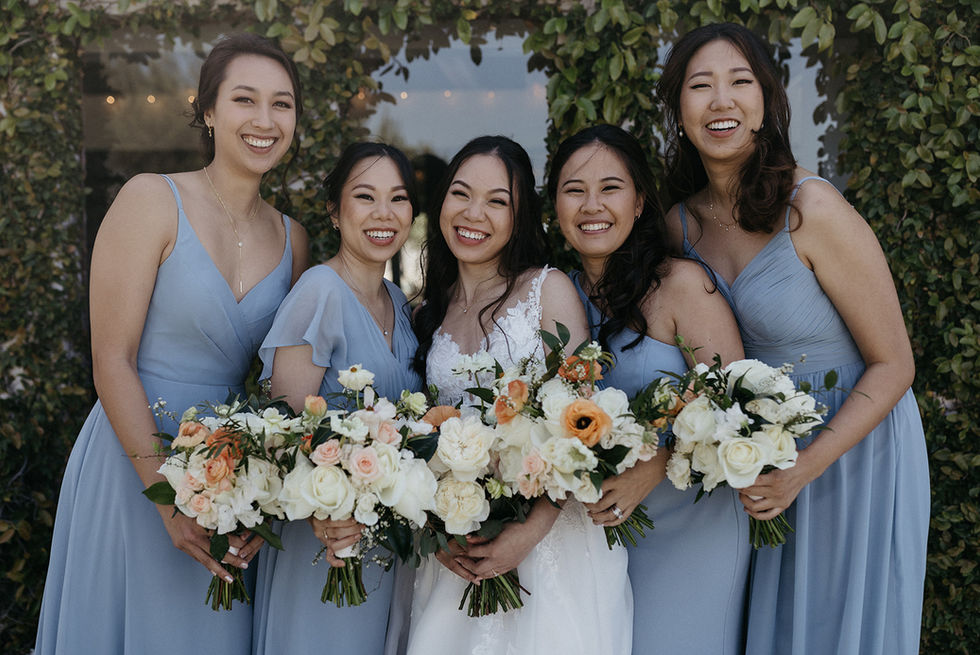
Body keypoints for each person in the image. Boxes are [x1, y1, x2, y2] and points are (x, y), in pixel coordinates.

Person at [658, 22, 930, 654]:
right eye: (700, 86)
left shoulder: (813, 209)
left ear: (766, 102)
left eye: (740, 82)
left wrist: (804, 468)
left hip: (854, 450)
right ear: (678, 109)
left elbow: (895, 363)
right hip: (754, 461)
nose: (721, 101)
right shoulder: (678, 227)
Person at [35, 33, 308, 655]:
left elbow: (278, 387)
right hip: (133, 462)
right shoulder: (151, 198)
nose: (265, 120)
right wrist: (168, 500)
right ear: (208, 111)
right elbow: (111, 359)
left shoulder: (294, 240)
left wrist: (263, 493)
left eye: (282, 104)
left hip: (229, 478)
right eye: (244, 99)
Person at [404, 135, 632, 655]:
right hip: (459, 547)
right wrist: (438, 534)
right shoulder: (426, 312)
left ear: (519, 215)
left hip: (551, 544)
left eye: (497, 201)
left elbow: (579, 429)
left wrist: (528, 534)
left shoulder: (547, 290)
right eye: (461, 193)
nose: (474, 213)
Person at [550, 123, 750, 654]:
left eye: (611, 188)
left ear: (639, 202)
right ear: (556, 207)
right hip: (594, 541)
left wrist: (656, 464)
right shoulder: (555, 298)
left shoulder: (681, 285)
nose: (592, 205)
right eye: (574, 190)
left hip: (691, 526)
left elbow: (738, 407)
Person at [251, 142, 422, 655]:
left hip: (385, 544)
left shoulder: (398, 301)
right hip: (326, 542)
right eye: (365, 196)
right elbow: (284, 431)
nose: (383, 213)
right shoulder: (319, 290)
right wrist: (323, 513)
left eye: (398, 198)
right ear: (334, 210)